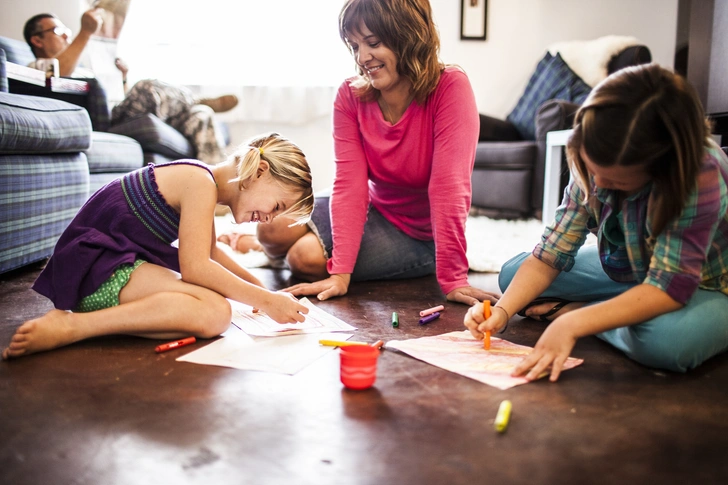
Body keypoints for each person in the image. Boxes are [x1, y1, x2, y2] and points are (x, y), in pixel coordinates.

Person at [464, 64, 728, 381]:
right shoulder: (595, 153)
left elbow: (669, 287)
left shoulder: (699, 172)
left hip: (707, 285)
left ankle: (586, 311)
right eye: (593, 169)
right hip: (634, 268)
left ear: (660, 165)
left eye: (616, 181)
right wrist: (503, 312)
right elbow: (550, 254)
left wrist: (573, 322)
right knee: (511, 277)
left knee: (667, 343)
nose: (598, 182)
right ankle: (613, 309)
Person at [243, 0, 498, 306]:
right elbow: (350, 186)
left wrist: (453, 277)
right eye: (354, 46)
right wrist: (340, 274)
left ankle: (295, 256)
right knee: (270, 228)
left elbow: (449, 188)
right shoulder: (350, 95)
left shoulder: (450, 87)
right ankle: (271, 256)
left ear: (408, 36)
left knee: (304, 259)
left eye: (373, 43)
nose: (362, 57)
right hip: (374, 205)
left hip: (417, 232)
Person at [2, 132, 314, 360]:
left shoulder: (203, 181)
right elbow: (197, 268)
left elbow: (211, 254)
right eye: (276, 205)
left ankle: (102, 319)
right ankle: (73, 326)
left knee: (214, 310)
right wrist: (268, 301)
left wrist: (261, 290)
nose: (268, 218)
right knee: (215, 311)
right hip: (95, 267)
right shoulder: (199, 183)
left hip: (113, 264)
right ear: (259, 172)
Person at [23, 8, 238, 164]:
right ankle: (191, 99)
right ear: (38, 40)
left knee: (201, 114)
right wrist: (85, 32)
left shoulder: (82, 67)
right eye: (58, 30)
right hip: (104, 121)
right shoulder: (36, 68)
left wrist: (123, 79)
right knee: (147, 87)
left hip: (117, 111)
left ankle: (215, 187)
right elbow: (55, 78)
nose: (66, 34)